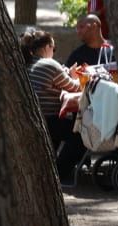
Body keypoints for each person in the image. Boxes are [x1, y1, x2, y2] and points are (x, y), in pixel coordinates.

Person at [21, 29, 85, 187]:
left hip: (35, 117)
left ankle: (50, 170)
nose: (54, 52)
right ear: (46, 47)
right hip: (47, 118)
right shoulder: (49, 64)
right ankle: (59, 173)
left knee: (60, 132)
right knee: (81, 135)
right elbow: (75, 88)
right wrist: (74, 76)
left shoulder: (28, 63)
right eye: (53, 49)